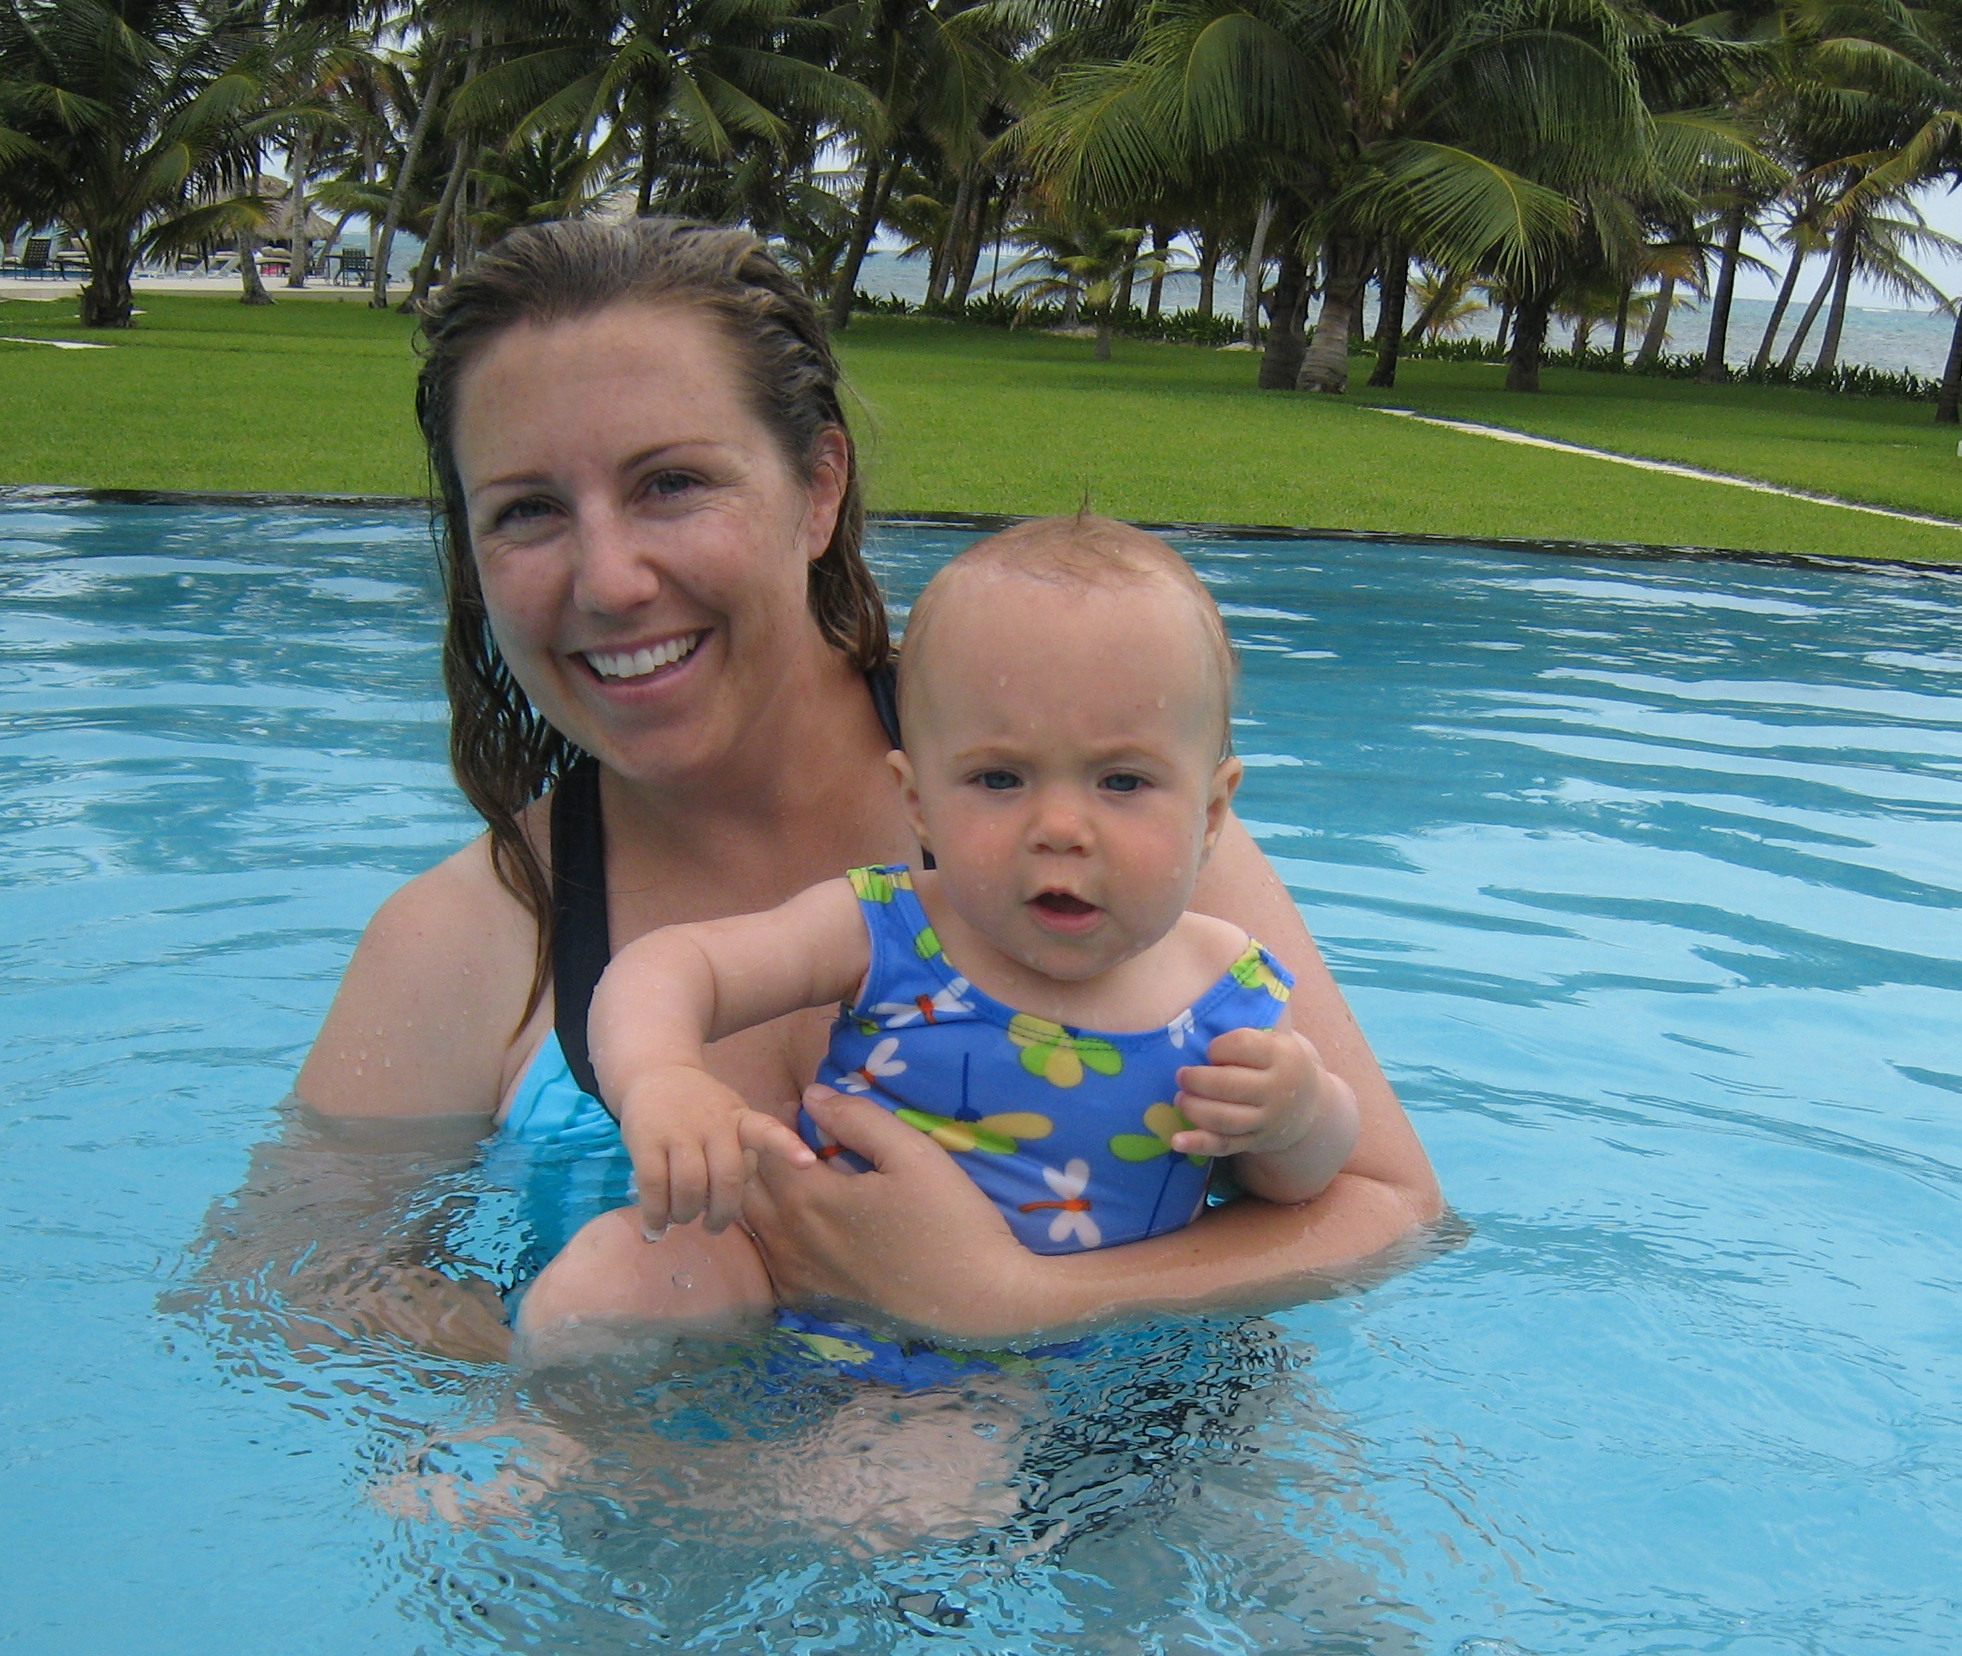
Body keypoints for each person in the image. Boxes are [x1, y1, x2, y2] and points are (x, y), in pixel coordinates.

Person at [293, 218, 1439, 1361]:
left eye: (672, 484)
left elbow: (1390, 1210)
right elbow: (306, 1295)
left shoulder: (1103, 834)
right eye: (528, 512)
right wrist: (544, 1391)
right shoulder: (457, 940)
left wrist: (1013, 1299)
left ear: (819, 488)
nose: (610, 580)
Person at [516, 512, 1360, 1370]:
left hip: (1007, 1367)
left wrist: (1298, 1119)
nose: (1060, 827)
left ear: (1211, 814)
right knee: (618, 1271)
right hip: (783, 1278)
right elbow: (672, 964)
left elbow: (1297, 1189)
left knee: (930, 1445)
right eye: (999, 778)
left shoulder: (1225, 992)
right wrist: (662, 1076)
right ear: (918, 803)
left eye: (1121, 781)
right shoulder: (885, 926)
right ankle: (535, 1429)